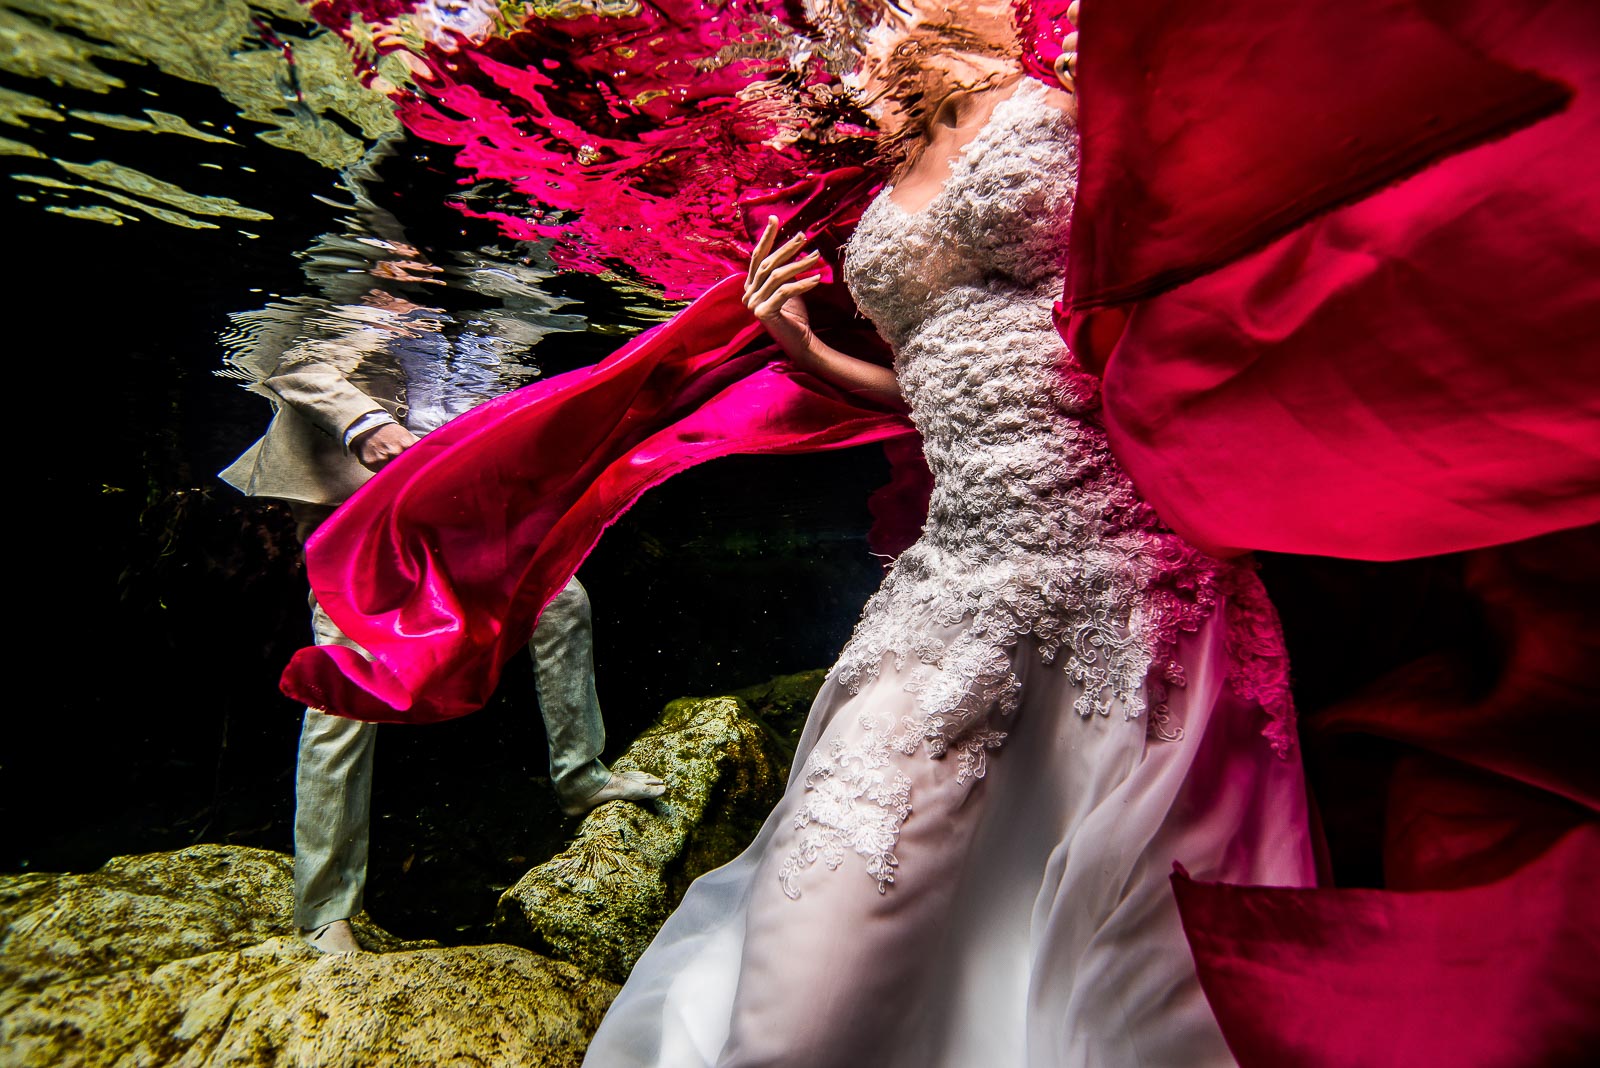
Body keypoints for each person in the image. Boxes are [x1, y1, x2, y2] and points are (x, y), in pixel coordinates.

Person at [581, 7, 1314, 1064]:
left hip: (1124, 571)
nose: (849, 28)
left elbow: (1198, 270)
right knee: (826, 927)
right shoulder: (879, 149)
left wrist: (1135, 91)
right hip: (954, 578)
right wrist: (807, 351)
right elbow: (938, 375)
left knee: (1134, 953)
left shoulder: (1077, 78)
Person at [220, 196, 666, 954]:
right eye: (403, 262)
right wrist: (369, 424)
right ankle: (326, 908)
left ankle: (580, 775)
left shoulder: (487, 304)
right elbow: (294, 359)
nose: (414, 274)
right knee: (350, 683)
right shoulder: (352, 298)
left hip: (448, 498)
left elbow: (500, 391)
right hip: (357, 513)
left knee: (561, 600)